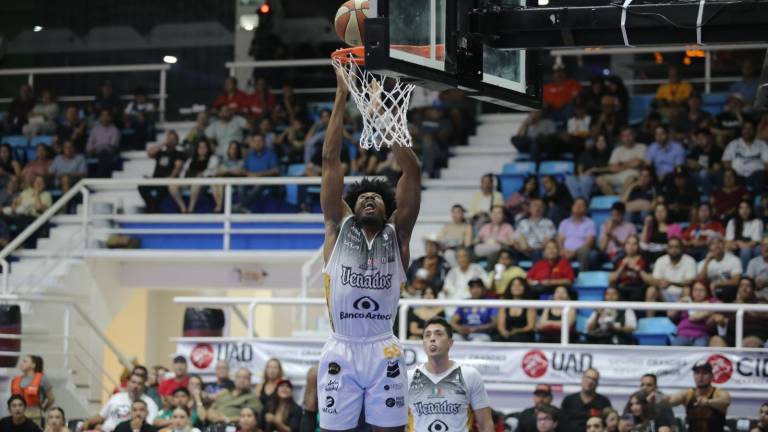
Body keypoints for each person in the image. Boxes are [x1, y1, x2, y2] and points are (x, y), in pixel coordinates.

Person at [317, 70, 420, 432]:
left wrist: (385, 120)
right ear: (353, 207)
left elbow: (412, 173)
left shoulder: (398, 237)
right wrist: (342, 95)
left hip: (384, 350)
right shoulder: (337, 227)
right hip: (341, 349)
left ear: (388, 207)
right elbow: (330, 161)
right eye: (363, 197)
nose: (370, 199)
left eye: (377, 196)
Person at [407, 317, 495, 432]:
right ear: (423, 343)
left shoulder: (469, 375)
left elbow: (486, 424)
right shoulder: (408, 377)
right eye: (427, 335)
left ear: (450, 342)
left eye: (438, 334)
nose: (432, 338)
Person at [656, 360, 731, 432]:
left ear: (711, 376)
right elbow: (670, 400)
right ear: (694, 375)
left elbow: (725, 401)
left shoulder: (718, 393)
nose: (700, 376)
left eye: (704, 373)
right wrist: (656, 397)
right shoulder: (688, 394)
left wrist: (708, 402)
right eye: (697, 373)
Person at [83, 372, 159, 432]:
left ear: (143, 386)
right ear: (128, 383)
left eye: (139, 384)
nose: (136, 386)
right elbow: (101, 416)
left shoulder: (149, 402)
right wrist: (87, 423)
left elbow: (148, 425)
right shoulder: (117, 397)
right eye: (133, 382)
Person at [709, 276, 768, 348]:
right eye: (741, 286)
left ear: (754, 289)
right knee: (715, 340)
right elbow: (711, 322)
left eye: (748, 286)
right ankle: (725, 359)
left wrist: (741, 304)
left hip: (754, 335)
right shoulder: (732, 304)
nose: (744, 288)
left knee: (750, 343)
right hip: (732, 336)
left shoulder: (761, 302)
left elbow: (761, 313)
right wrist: (715, 319)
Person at [138, 131, 186, 213]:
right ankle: (153, 206)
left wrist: (169, 179)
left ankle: (152, 208)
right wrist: (163, 144)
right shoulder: (160, 153)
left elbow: (177, 168)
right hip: (155, 179)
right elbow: (149, 153)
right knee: (142, 187)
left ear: (177, 141)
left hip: (168, 180)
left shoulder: (179, 154)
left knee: (162, 190)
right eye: (169, 138)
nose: (170, 141)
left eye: (173, 139)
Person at [171, 139, 221, 213]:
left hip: (203, 182)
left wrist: (202, 175)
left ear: (208, 148)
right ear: (197, 149)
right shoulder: (191, 159)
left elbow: (212, 171)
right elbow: (184, 171)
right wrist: (182, 179)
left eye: (204, 147)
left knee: (196, 183)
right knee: (172, 185)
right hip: (188, 179)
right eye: (200, 147)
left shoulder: (212, 158)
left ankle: (191, 209)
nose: (202, 149)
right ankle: (183, 207)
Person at [596, 127, 647, 195]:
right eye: (624, 136)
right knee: (599, 179)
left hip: (634, 175)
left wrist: (620, 164)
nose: (627, 138)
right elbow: (612, 168)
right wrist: (631, 163)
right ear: (621, 138)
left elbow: (638, 163)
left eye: (629, 135)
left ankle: (621, 200)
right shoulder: (617, 150)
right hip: (617, 176)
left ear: (634, 135)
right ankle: (614, 198)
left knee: (630, 179)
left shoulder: (642, 147)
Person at [722, 118, 768, 193]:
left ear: (755, 130)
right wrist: (733, 174)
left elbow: (767, 164)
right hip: (737, 176)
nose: (747, 131)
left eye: (750, 128)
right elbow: (726, 161)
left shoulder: (762, 145)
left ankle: (758, 198)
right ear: (742, 130)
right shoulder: (733, 144)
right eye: (745, 128)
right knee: (727, 175)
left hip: (756, 176)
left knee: (760, 175)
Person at [668, 281, 716, 347]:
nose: (698, 293)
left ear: (707, 291)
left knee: (701, 350)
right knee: (676, 347)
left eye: (701, 290)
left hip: (701, 336)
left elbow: (694, 317)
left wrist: (705, 311)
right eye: (695, 290)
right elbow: (670, 314)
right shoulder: (687, 301)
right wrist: (680, 303)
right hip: (683, 335)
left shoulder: (711, 302)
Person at [564, 133, 611, 199]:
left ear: (607, 143)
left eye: (602, 141)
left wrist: (593, 170)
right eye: (598, 141)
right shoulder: (589, 152)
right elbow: (580, 164)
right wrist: (580, 174)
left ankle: (584, 201)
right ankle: (578, 201)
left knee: (585, 179)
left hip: (598, 178)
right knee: (569, 178)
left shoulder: (610, 154)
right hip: (584, 175)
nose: (600, 143)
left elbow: (610, 168)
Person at [11, 355, 54, 426]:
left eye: (25, 361)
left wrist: (43, 409)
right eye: (22, 361)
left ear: (33, 365)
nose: (21, 363)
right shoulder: (16, 380)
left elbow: (51, 399)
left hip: (34, 416)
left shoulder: (42, 378)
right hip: (17, 417)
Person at [451, 278, 498, 342]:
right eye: (472, 287)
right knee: (454, 338)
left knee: (477, 341)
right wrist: (460, 328)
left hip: (482, 334)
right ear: (469, 290)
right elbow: (452, 322)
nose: (475, 290)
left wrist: (476, 328)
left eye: (478, 287)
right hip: (464, 334)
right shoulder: (464, 303)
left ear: (483, 289)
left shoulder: (489, 302)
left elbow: (494, 323)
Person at [698, 237, 743, 302]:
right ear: (709, 248)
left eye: (719, 242)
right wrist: (707, 261)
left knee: (729, 289)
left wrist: (717, 284)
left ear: (724, 245)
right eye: (713, 244)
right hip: (710, 293)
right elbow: (700, 281)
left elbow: (736, 281)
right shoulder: (703, 263)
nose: (717, 245)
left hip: (728, 293)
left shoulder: (734, 260)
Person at [609, 235, 653, 301]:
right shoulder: (619, 259)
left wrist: (639, 270)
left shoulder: (644, 259)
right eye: (628, 243)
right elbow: (610, 280)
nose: (631, 246)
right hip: (622, 289)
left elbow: (650, 281)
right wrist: (622, 266)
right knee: (611, 291)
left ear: (638, 246)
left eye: (634, 244)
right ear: (625, 245)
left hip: (639, 289)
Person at [652, 237, 697, 302]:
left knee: (686, 290)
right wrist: (660, 282)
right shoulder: (660, 260)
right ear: (667, 249)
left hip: (681, 293)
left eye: (676, 247)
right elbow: (655, 279)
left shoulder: (690, 260)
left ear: (682, 248)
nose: (674, 250)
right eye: (671, 247)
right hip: (663, 293)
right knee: (651, 290)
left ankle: (684, 312)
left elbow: (690, 281)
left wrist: (671, 283)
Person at [557, 198, 596, 271]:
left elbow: (589, 243)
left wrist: (574, 252)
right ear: (572, 206)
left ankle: (583, 276)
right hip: (565, 251)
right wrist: (562, 250)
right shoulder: (564, 222)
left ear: (586, 209)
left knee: (585, 251)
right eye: (576, 204)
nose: (578, 206)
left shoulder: (589, 223)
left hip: (580, 251)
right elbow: (560, 240)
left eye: (581, 205)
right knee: (551, 250)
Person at [725, 199, 764, 270]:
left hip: (752, 246)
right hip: (736, 246)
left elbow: (755, 241)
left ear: (751, 209)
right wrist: (735, 244)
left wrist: (741, 244)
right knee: (728, 248)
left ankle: (747, 274)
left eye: (747, 208)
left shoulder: (757, 222)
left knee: (747, 251)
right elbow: (729, 240)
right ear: (737, 210)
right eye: (741, 208)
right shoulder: (732, 222)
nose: (744, 211)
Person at [497, 277, 536, 342]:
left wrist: (517, 331)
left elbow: (530, 326)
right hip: (507, 334)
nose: (516, 287)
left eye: (520, 285)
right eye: (513, 285)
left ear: (525, 288)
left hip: (524, 334)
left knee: (517, 337)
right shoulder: (504, 305)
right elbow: (501, 326)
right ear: (510, 288)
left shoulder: (530, 305)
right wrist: (504, 332)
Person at [86, 110, 121, 178]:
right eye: (103, 115)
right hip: (94, 153)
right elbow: (89, 145)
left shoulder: (114, 130)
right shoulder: (94, 130)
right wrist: (92, 149)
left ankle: (100, 177)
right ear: (99, 118)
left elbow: (112, 146)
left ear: (110, 118)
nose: (105, 117)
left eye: (107, 115)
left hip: (108, 153)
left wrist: (98, 146)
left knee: (104, 154)